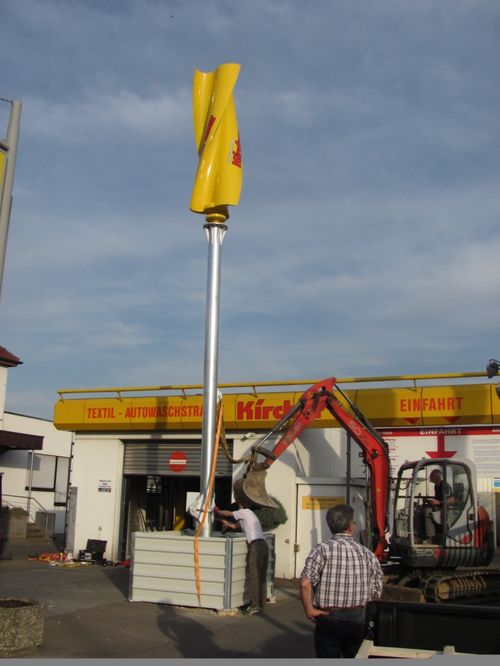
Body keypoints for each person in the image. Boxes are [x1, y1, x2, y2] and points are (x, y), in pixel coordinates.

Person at [300, 503, 383, 658]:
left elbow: (305, 583)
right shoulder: (367, 554)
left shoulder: (321, 550)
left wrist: (309, 609)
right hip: (358, 618)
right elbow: (377, 589)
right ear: (350, 527)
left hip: (328, 618)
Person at [214, 496, 269, 615]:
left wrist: (217, 511)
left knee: (254, 575)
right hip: (263, 545)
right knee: (261, 576)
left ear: (241, 505)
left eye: (238, 504)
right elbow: (234, 526)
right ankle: (261, 604)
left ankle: (254, 605)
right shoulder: (248, 516)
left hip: (256, 546)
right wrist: (222, 520)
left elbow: (229, 513)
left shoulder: (245, 512)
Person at [422, 469, 455, 540]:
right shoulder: (436, 486)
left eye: (431, 476)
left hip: (445, 510)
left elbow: (452, 500)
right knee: (421, 509)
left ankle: (430, 537)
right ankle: (421, 534)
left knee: (427, 511)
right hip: (438, 508)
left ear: (437, 477)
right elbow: (437, 498)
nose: (430, 478)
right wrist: (429, 501)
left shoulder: (445, 486)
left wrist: (439, 502)